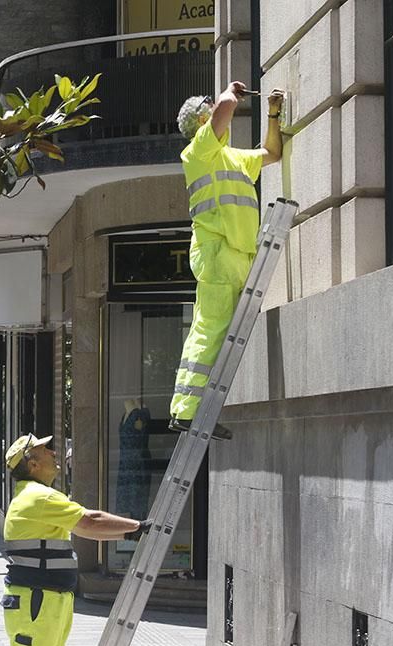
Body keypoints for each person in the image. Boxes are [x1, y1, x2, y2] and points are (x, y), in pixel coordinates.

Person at [169, 82, 284, 440]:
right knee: (210, 330)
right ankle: (186, 411)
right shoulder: (197, 152)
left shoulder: (233, 158)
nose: (219, 116)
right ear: (202, 120)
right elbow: (222, 111)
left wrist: (273, 115)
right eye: (209, 111)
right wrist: (229, 94)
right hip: (218, 254)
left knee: (218, 333)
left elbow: (271, 153)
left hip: (237, 256)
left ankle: (198, 410)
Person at [1, 433, 145, 646]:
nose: (54, 452)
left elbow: (84, 529)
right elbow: (90, 520)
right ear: (33, 464)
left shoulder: (31, 495)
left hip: (43, 599)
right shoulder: (40, 497)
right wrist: (138, 527)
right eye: (46, 450)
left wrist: (130, 533)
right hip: (39, 600)